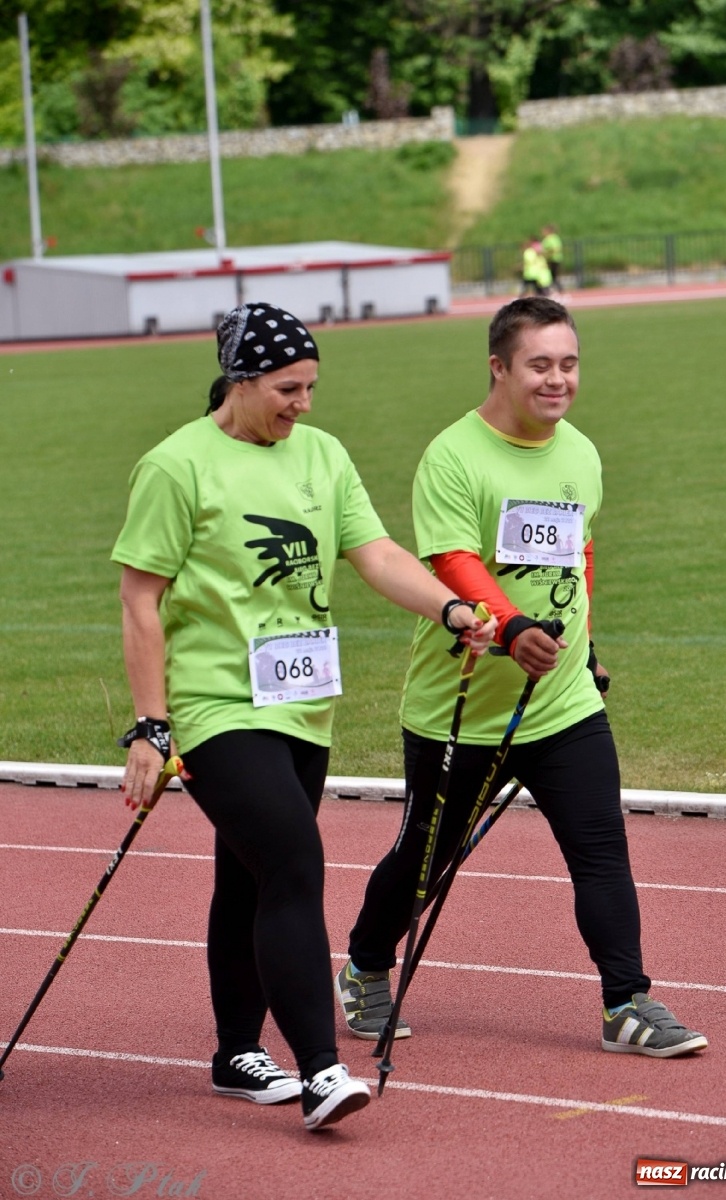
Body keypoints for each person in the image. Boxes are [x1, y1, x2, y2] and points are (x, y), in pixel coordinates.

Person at [111, 301, 496, 1132]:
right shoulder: (176, 466)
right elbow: (141, 599)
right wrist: (152, 727)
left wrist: (454, 612)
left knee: (246, 876)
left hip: (302, 707)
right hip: (216, 706)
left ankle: (234, 1056)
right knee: (292, 861)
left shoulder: (322, 455)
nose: (304, 404)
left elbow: (380, 555)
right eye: (288, 388)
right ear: (241, 380)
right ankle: (321, 1072)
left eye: (312, 386)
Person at [338, 296, 708, 1060]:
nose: (557, 380)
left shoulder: (578, 452)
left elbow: (579, 553)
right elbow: (452, 562)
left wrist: (585, 641)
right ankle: (367, 967)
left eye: (568, 364)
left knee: (601, 849)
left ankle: (625, 1003)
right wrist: (510, 628)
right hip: (460, 709)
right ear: (499, 367)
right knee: (424, 858)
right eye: (539, 364)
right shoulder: (453, 455)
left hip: (562, 701)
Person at [541, 224, 564, 293]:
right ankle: (556, 290)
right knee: (551, 276)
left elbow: (555, 249)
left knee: (552, 276)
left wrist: (546, 254)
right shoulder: (551, 238)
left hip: (553, 259)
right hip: (551, 259)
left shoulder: (551, 238)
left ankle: (559, 290)